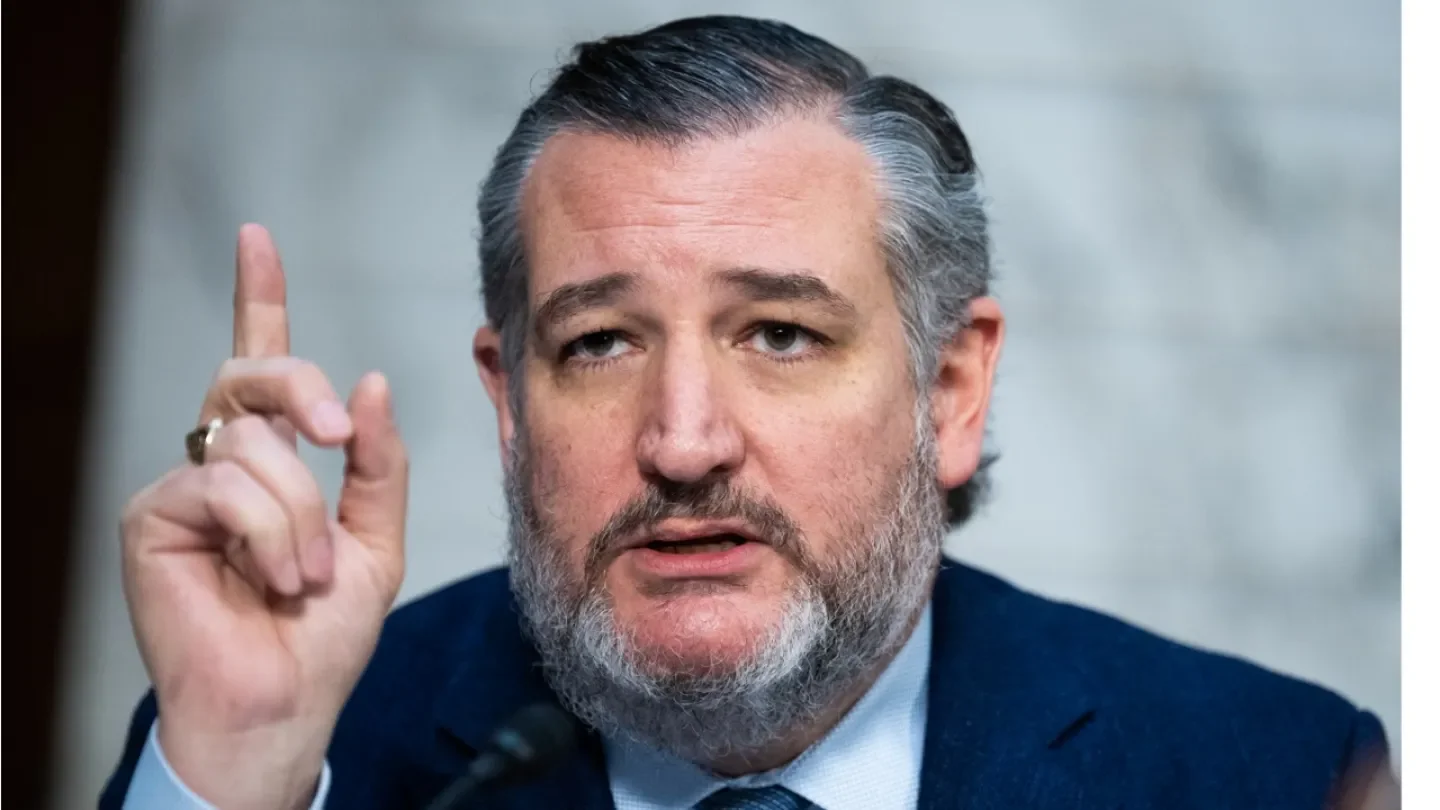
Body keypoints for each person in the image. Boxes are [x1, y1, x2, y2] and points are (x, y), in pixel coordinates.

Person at [99, 15, 1393, 810]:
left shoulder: (1264, 773)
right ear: (511, 405)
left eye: (780, 333)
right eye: (600, 343)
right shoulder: (318, 749)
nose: (682, 441)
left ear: (949, 389)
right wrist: (237, 775)